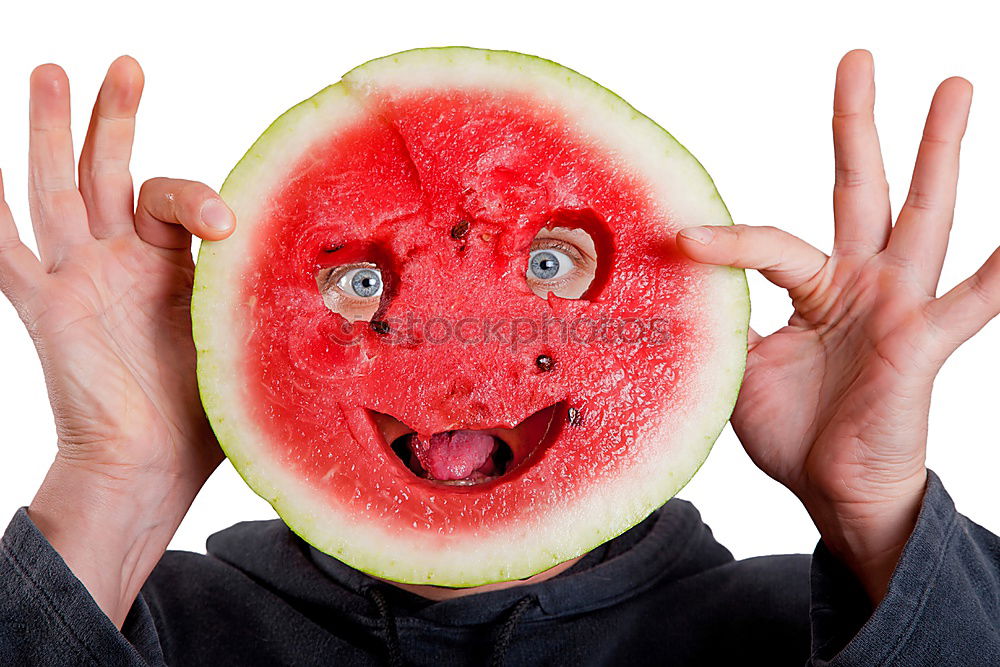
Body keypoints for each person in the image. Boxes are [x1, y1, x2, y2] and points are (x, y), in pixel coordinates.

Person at [0, 48, 998, 666]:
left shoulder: (816, 626)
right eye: (362, 283)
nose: (460, 370)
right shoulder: (139, 619)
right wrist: (108, 495)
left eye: (553, 261)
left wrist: (876, 514)